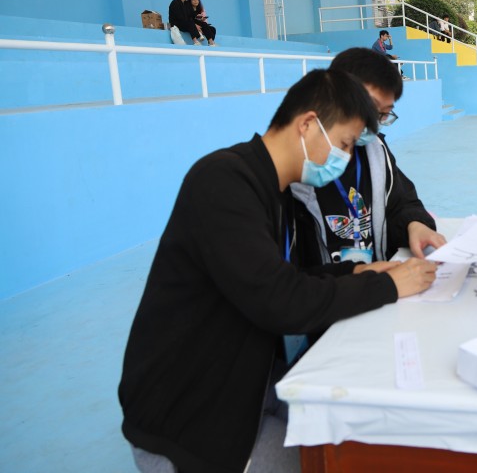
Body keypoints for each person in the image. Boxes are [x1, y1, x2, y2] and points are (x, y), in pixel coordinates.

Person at [118, 68, 437, 473]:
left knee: (359, 435)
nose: (345, 158)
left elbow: (289, 277)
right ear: (308, 124)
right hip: (190, 419)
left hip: (252, 384)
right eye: (343, 144)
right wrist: (386, 286)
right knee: (337, 460)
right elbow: (281, 301)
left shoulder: (278, 190)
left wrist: (357, 273)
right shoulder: (222, 181)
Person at [292, 48, 446, 271]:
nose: (373, 124)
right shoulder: (293, 172)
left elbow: (401, 203)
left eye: (383, 114)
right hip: (332, 289)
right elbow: (288, 275)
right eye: (370, 110)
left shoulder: (376, 151)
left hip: (380, 282)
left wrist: (415, 225)